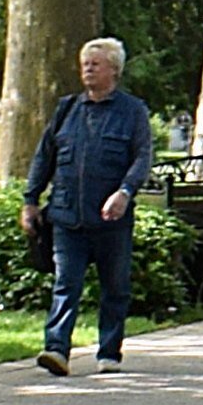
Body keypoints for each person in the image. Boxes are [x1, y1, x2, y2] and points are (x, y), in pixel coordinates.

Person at [23, 37, 159, 374]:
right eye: (84, 63)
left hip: (111, 220)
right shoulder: (67, 110)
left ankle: (109, 353)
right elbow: (45, 157)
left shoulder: (132, 112)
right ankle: (56, 350)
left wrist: (125, 192)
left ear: (113, 70)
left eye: (95, 63)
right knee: (66, 284)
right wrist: (30, 199)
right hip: (67, 216)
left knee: (115, 287)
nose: (87, 68)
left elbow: (142, 158)